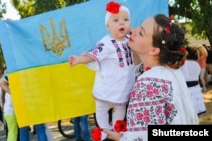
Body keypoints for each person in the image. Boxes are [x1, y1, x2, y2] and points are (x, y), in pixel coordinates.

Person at [103, 14, 199, 141]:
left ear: (154, 50)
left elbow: (141, 138)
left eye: (141, 33)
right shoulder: (172, 71)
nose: (132, 30)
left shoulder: (148, 82)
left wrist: (121, 138)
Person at [69, 1, 135, 140]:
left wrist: (133, 31)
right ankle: (104, 129)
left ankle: (117, 128)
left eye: (125, 20)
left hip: (123, 85)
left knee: (120, 107)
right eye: (116, 20)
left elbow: (140, 39)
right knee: (101, 108)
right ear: (108, 25)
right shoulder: (106, 42)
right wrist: (80, 59)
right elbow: (94, 55)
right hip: (107, 84)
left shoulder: (131, 39)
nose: (121, 23)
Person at [181, 47, 206, 115]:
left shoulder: (184, 64)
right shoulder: (196, 63)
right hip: (196, 88)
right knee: (196, 109)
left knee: (189, 110)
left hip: (187, 88)